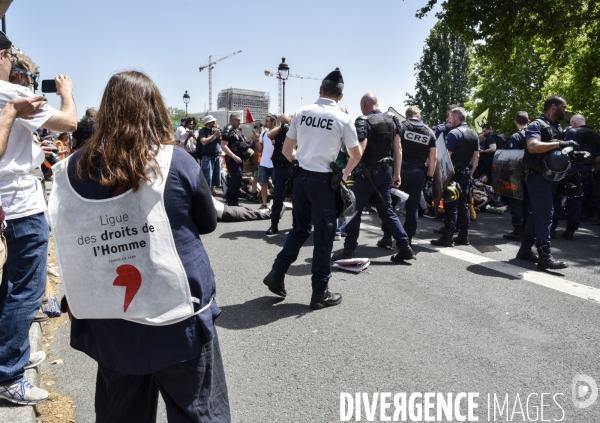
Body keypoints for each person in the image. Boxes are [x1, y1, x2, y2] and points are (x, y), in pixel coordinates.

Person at [48, 71, 230, 421]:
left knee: (122, 412)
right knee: (198, 410)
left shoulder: (70, 170)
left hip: (110, 314)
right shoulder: (175, 161)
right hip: (177, 314)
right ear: (155, 110)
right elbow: (207, 223)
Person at [0, 32, 77, 406]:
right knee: (25, 289)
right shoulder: (8, 94)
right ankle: (9, 375)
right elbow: (70, 123)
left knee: (11, 287)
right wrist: (66, 91)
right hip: (18, 203)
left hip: (8, 203)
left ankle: (9, 353)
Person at [262, 68, 362, 310]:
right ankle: (320, 293)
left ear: (320, 90)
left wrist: (300, 161)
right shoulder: (343, 118)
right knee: (324, 237)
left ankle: (277, 272)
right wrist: (343, 174)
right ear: (340, 96)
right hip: (324, 183)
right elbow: (356, 154)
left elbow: (286, 151)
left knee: (299, 230)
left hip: (300, 179)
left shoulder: (301, 112)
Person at [335, 93, 415, 262]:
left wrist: (345, 174)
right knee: (387, 211)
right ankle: (404, 246)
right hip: (385, 172)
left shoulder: (364, 121)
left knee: (354, 210)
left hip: (367, 174)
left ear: (364, 104)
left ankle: (349, 249)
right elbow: (398, 149)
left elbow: (360, 151)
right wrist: (397, 173)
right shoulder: (393, 120)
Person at [516, 95, 576, 270]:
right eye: (564, 107)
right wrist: (559, 144)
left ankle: (525, 250)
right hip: (537, 176)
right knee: (545, 214)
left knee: (538, 213)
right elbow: (532, 146)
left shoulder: (557, 127)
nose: (566, 110)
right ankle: (545, 256)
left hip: (552, 177)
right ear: (553, 107)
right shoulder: (536, 125)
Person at [379, 105, 437, 247]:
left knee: (390, 205)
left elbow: (394, 148)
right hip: (418, 173)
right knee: (412, 207)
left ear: (406, 116)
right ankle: (408, 239)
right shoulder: (429, 132)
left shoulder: (401, 127)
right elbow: (434, 158)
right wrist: (429, 177)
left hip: (400, 172)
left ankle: (387, 237)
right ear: (420, 117)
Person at [431, 107, 479, 247]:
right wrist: (471, 172)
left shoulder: (453, 133)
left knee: (450, 205)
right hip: (465, 173)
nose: (449, 120)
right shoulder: (474, 134)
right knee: (463, 204)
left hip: (453, 174)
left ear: (457, 118)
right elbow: (476, 157)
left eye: (450, 118)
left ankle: (448, 236)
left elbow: (447, 157)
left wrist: (440, 175)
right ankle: (463, 236)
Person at [551, 114, 600, 239]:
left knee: (557, 198)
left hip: (567, 170)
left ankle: (551, 230)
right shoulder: (596, 136)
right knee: (576, 201)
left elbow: (562, 149)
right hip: (585, 171)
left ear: (573, 122)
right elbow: (598, 157)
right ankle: (570, 231)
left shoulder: (571, 132)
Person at [503, 111, 531, 241]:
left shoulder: (516, 136)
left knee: (517, 202)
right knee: (527, 203)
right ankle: (527, 229)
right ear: (528, 121)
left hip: (518, 173)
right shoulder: (534, 135)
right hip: (532, 173)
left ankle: (517, 230)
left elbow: (511, 156)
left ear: (516, 122)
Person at [265, 113, 291, 235]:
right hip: (280, 169)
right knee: (277, 198)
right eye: (282, 121)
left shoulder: (295, 129)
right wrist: (282, 127)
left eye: (286, 122)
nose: (284, 124)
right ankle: (274, 225)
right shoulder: (279, 131)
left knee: (297, 198)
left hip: (292, 168)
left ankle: (296, 226)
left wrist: (290, 126)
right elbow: (269, 135)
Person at [221, 112, 253, 206]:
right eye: (238, 120)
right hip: (233, 159)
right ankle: (231, 201)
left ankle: (232, 200)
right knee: (236, 179)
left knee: (237, 180)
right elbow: (223, 146)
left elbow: (240, 144)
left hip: (239, 159)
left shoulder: (238, 130)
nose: (240, 122)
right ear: (232, 120)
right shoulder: (228, 129)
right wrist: (234, 156)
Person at [256, 113, 277, 210]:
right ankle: (264, 204)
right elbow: (260, 148)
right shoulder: (264, 133)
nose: (265, 123)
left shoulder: (279, 133)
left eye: (267, 121)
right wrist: (256, 140)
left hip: (274, 164)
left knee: (277, 185)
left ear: (274, 122)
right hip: (264, 163)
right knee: (263, 184)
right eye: (265, 121)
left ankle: (276, 204)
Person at [198, 114, 222, 196]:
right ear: (208, 123)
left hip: (216, 155)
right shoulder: (202, 131)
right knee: (207, 175)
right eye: (213, 121)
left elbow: (220, 143)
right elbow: (204, 142)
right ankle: (207, 192)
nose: (215, 122)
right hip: (207, 156)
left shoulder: (215, 130)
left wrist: (219, 135)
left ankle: (212, 188)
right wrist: (214, 135)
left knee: (216, 175)